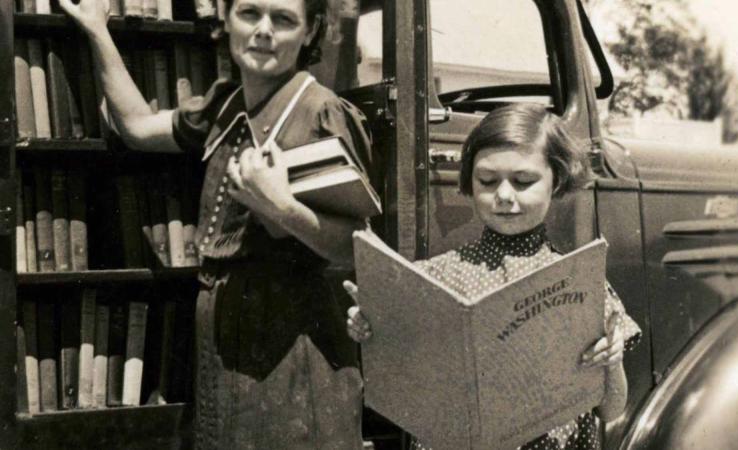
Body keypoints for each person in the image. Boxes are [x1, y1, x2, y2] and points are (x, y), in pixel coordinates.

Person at [59, 0, 372, 448]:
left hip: (293, 343)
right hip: (225, 331)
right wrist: (97, 32)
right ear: (226, 20)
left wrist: (282, 209)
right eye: (250, 14)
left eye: (283, 19)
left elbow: (356, 246)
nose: (264, 30)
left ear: (310, 32)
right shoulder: (226, 104)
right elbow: (137, 127)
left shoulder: (319, 112)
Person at [346, 103, 640, 450]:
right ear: (469, 181)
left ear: (556, 180)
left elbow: (610, 409)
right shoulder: (434, 278)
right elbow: (400, 390)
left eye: (523, 181)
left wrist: (612, 361)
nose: (503, 196)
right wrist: (374, 329)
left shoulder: (580, 283)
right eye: (487, 181)